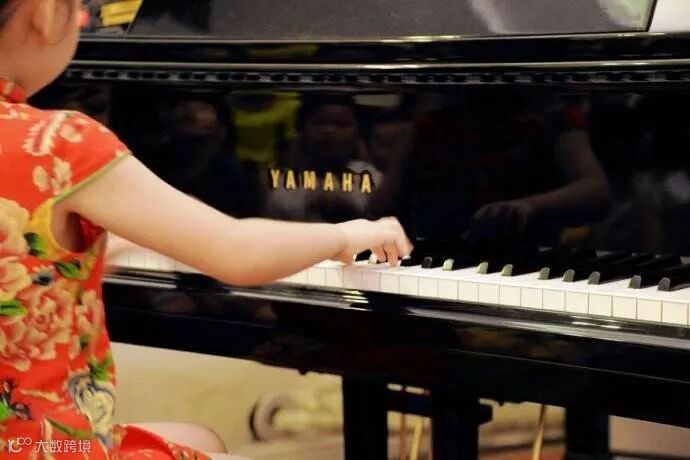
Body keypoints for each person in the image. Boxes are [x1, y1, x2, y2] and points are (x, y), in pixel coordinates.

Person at [0, 1, 412, 459]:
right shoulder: (58, 143)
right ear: (44, 11)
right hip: (44, 446)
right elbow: (237, 252)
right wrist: (343, 236)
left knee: (200, 440)